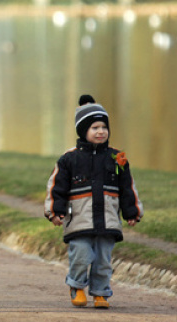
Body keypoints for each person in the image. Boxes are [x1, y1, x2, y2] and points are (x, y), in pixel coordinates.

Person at [44, 95, 143, 309]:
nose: (101, 132)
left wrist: (132, 212)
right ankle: (77, 286)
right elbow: (57, 187)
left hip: (107, 220)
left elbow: (127, 187)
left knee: (103, 260)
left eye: (104, 127)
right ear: (83, 131)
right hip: (79, 219)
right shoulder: (69, 159)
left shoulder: (117, 158)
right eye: (94, 128)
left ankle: (100, 292)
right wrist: (55, 211)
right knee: (81, 254)